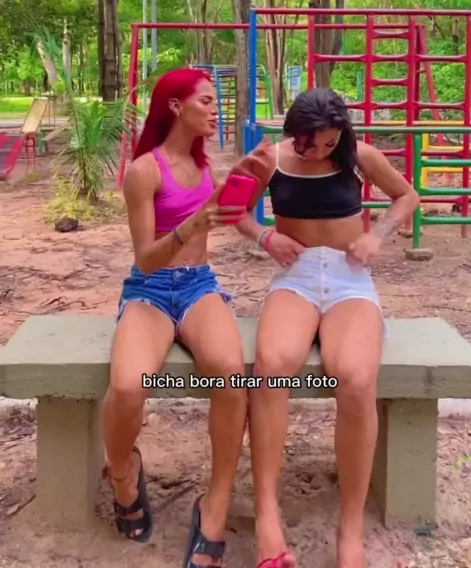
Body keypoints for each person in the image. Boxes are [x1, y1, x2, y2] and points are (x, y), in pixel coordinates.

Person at [229, 87, 420, 568]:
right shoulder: (271, 158)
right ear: (294, 132)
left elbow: (407, 196)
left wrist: (377, 236)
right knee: (272, 367)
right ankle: (268, 514)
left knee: (355, 378)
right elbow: (234, 211)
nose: (321, 151)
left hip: (349, 278)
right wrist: (265, 237)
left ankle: (350, 529)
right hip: (294, 277)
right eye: (311, 143)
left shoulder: (360, 156)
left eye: (331, 142)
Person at [102, 68, 248, 568]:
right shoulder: (145, 170)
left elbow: (226, 217)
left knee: (232, 376)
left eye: (215, 101)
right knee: (128, 387)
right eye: (205, 100)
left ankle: (215, 504)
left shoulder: (204, 165)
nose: (215, 108)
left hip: (198, 286)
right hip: (151, 290)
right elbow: (145, 259)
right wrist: (191, 225)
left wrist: (252, 183)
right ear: (174, 107)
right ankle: (124, 474)